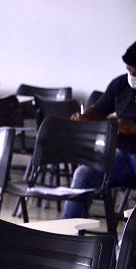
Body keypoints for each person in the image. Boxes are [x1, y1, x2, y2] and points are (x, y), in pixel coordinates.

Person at [63, 41, 136, 219]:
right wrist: (85, 117)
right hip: (122, 155)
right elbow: (99, 110)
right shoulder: (121, 84)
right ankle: (67, 234)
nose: (132, 75)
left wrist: (133, 128)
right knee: (84, 174)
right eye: (129, 70)